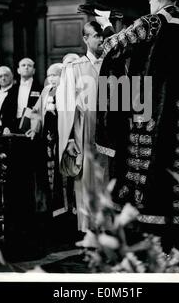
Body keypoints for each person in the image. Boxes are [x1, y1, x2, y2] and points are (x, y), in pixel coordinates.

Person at [96, 0, 179, 251]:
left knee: (151, 171)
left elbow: (111, 46)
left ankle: (150, 240)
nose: (149, 1)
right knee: (178, 173)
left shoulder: (154, 22)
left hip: (153, 113)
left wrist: (108, 27)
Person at [57, 21, 114, 233]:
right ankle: (90, 232)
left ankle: (110, 231)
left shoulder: (116, 64)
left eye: (104, 36)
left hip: (110, 128)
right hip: (85, 128)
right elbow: (65, 106)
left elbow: (126, 101)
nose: (102, 40)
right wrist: (70, 138)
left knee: (110, 179)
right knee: (87, 180)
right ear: (85, 39)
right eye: (96, 35)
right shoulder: (74, 68)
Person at [26, 63, 65, 217]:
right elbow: (35, 111)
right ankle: (49, 209)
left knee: (62, 176)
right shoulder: (46, 91)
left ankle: (64, 211)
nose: (51, 78)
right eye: (49, 75)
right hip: (47, 139)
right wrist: (35, 128)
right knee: (47, 175)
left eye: (55, 75)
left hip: (62, 138)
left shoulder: (68, 91)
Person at [13, 58, 42, 132]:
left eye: (29, 65)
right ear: (18, 70)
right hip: (14, 126)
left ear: (34, 71)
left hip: (33, 126)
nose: (26, 67)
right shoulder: (12, 89)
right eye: (23, 65)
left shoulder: (40, 88)